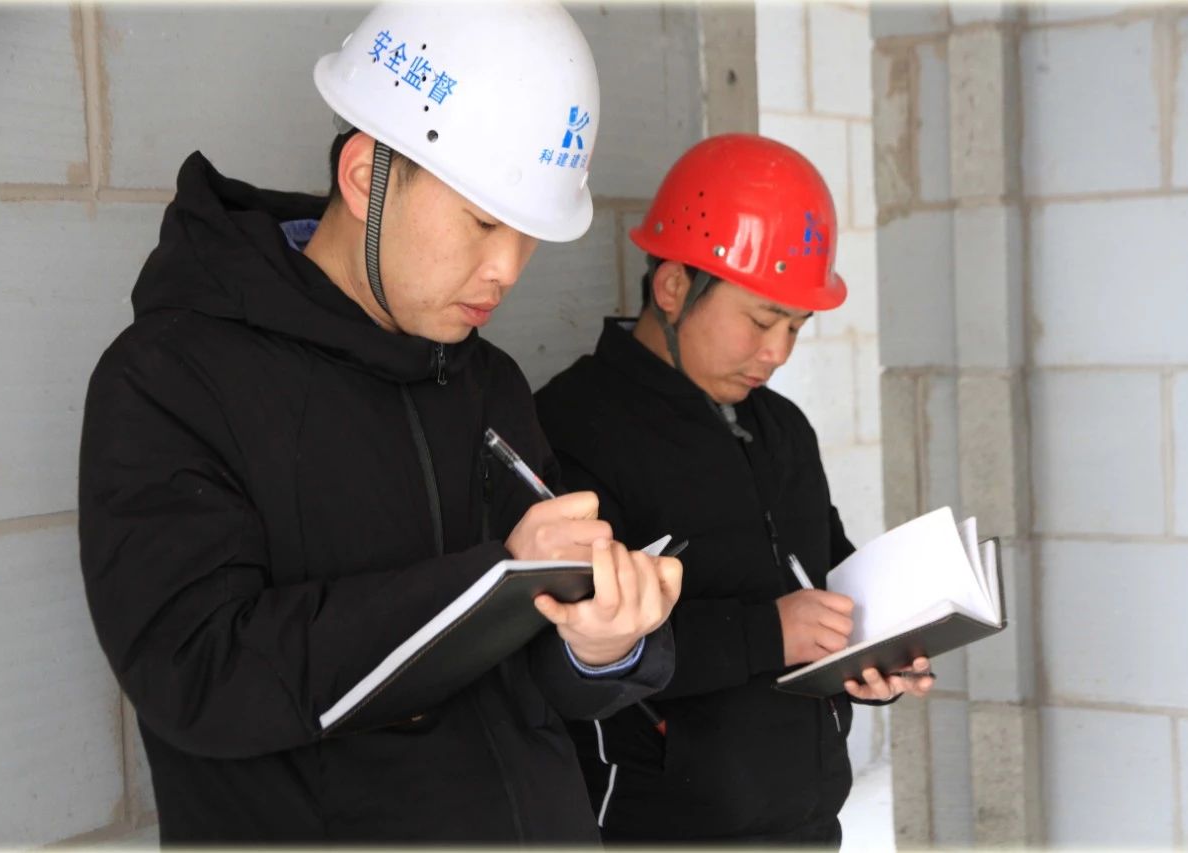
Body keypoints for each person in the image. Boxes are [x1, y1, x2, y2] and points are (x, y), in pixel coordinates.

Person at [77, 1, 681, 843]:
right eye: (483, 221)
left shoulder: (489, 383)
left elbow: (539, 675)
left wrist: (603, 643)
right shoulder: (172, 377)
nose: (506, 269)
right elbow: (198, 673)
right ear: (367, 176)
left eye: (529, 235)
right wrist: (486, 584)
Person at [534, 134, 935, 845]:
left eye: (796, 326)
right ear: (673, 288)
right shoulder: (574, 427)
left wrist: (876, 648)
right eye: (760, 319)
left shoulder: (782, 427)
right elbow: (570, 650)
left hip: (807, 824)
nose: (777, 352)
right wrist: (769, 633)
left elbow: (826, 574)